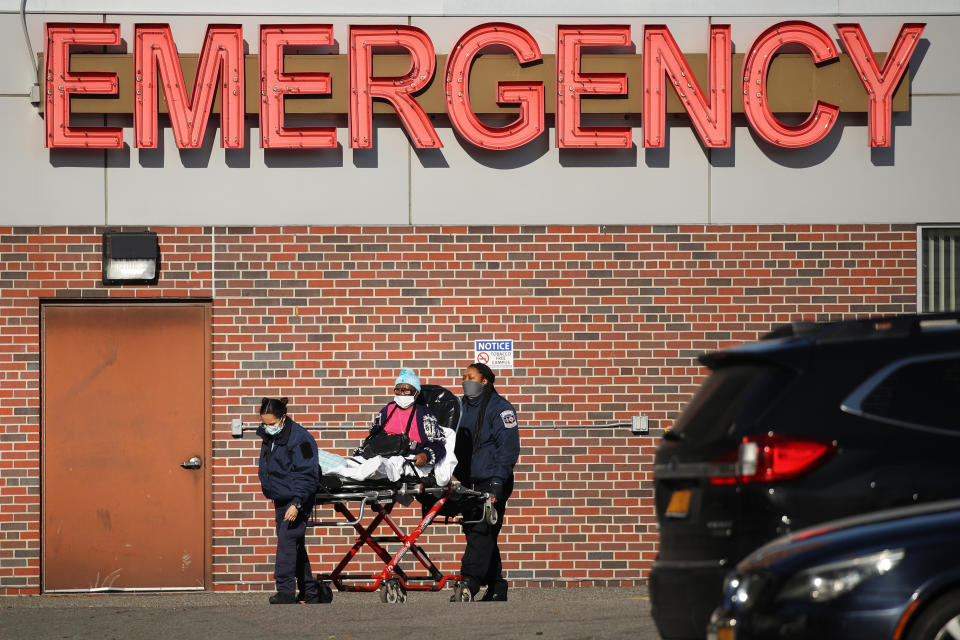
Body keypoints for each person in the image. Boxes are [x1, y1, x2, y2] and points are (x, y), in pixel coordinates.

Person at [454, 362, 520, 601]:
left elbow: (508, 448)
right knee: (480, 530)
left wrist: (497, 482)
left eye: (470, 377)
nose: (465, 380)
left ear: (484, 381)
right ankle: (497, 585)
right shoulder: (460, 407)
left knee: (480, 529)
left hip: (492, 479)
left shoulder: (500, 408)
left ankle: (469, 582)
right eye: (463, 376)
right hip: (468, 481)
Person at [256, 396, 321, 604]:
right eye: (265, 424)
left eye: (272, 424)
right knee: (294, 545)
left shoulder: (301, 439)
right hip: (281, 498)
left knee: (286, 542)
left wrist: (297, 502)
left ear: (283, 418)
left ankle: (285, 591)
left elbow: (307, 474)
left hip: (296, 499)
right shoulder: (271, 436)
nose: (268, 428)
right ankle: (310, 592)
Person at [354, 369, 446, 467]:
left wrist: (425, 455)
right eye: (398, 390)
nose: (401, 393)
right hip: (382, 455)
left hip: (408, 457)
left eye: (406, 390)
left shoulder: (425, 414)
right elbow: (374, 436)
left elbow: (438, 444)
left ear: (416, 393)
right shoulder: (388, 409)